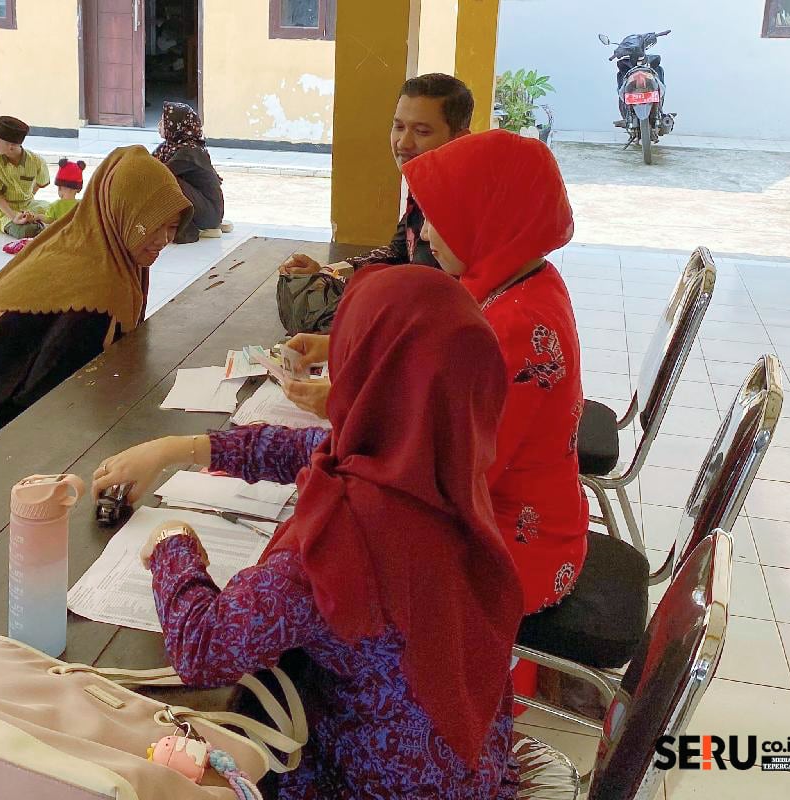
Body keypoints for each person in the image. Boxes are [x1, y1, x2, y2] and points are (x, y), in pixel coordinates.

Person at [99, 131, 586, 615]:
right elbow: (412, 421)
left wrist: (345, 404)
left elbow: (424, 469)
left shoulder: (514, 332)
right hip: (498, 515)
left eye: (439, 217)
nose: (426, 235)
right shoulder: (523, 283)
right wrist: (341, 353)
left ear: (486, 216)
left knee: (323, 574)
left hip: (504, 553)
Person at [124, 268, 524, 798]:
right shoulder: (445, 464)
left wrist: (171, 544)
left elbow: (202, 647)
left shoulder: (337, 547)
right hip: (469, 762)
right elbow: (315, 448)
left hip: (372, 785)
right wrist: (185, 449)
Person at [0, 146, 192, 450]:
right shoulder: (95, 289)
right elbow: (51, 395)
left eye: (172, 227)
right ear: (120, 213)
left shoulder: (98, 238)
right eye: (152, 226)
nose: (163, 240)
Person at [277, 73, 473, 279]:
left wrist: (334, 282)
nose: (403, 143)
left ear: (460, 140)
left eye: (422, 131)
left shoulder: (468, 206)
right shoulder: (424, 188)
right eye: (399, 127)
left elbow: (430, 288)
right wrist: (329, 272)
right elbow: (397, 254)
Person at [153, 102, 225, 244]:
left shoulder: (189, 151)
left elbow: (157, 173)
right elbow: (150, 165)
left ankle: (187, 229)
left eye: (164, 121)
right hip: (200, 205)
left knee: (166, 181)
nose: (159, 125)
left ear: (177, 125)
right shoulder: (170, 146)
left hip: (209, 214)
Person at [0, 116, 52, 238]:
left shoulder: (36, 161)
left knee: (60, 212)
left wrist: (29, 199)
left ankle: (38, 223)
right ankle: (39, 226)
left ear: (11, 146)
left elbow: (41, 182)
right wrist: (14, 216)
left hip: (29, 206)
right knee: (25, 231)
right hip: (2, 212)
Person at [44, 158, 87, 223]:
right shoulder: (81, 205)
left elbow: (48, 220)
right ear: (78, 189)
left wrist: (38, 216)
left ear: (59, 188)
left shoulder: (54, 206)